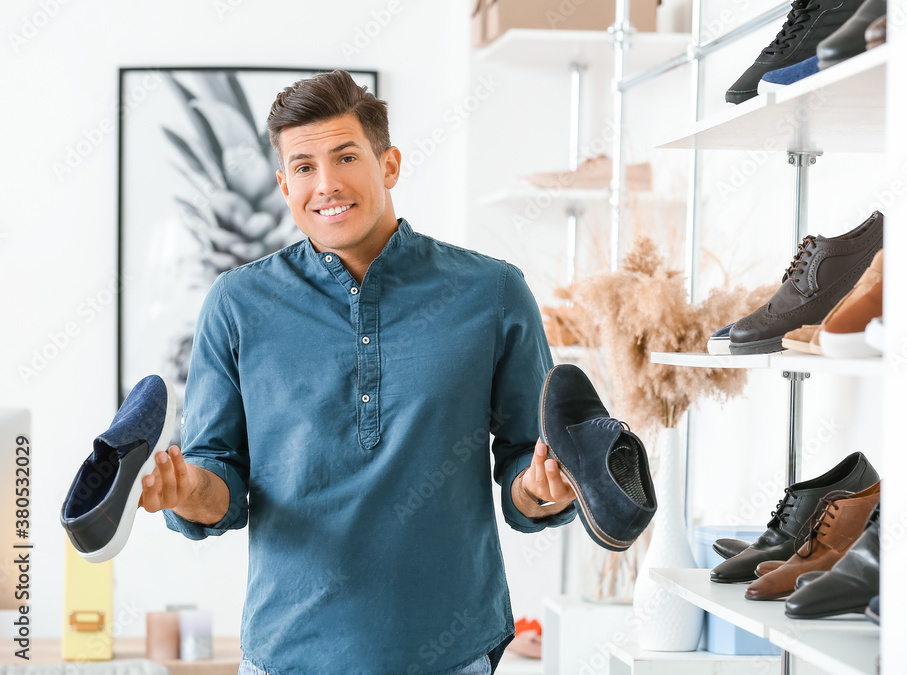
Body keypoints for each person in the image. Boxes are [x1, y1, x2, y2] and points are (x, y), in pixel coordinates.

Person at [137, 69, 579, 675]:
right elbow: (221, 480)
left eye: (346, 156)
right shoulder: (236, 304)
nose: (326, 185)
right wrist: (187, 491)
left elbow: (529, 463)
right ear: (283, 184)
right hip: (287, 656)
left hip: (450, 653)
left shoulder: (492, 292)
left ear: (389, 164)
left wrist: (542, 488)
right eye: (303, 167)